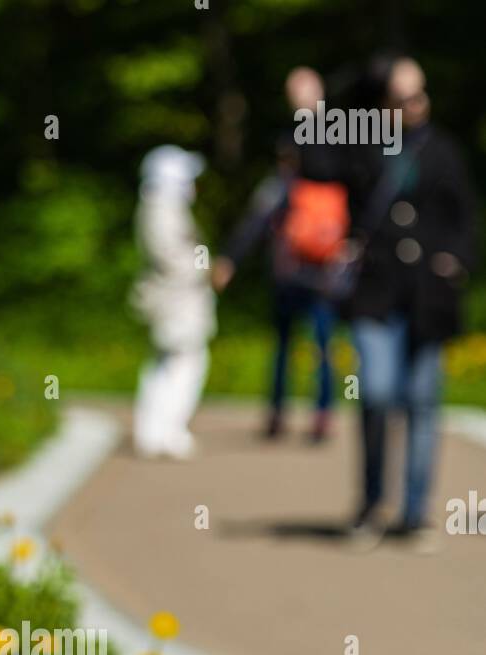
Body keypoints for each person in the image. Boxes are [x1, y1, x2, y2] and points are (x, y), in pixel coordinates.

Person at [345, 58, 478, 550]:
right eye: (403, 97)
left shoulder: (443, 151)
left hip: (428, 296)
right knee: (376, 393)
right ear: (382, 103)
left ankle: (415, 512)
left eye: (421, 95)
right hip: (375, 293)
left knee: (422, 402)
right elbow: (315, 158)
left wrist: (455, 260)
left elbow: (464, 218)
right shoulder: (360, 148)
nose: (416, 105)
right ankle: (370, 501)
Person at [212, 67, 348, 442]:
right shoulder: (295, 164)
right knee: (291, 343)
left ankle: (314, 412)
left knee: (317, 344)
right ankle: (286, 411)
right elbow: (260, 214)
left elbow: (263, 211)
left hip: (320, 267)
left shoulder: (331, 144)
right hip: (294, 268)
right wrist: (232, 257)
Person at [131, 145, 216, 460]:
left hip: (178, 302)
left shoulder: (160, 207)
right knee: (180, 364)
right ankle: (164, 431)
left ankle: (156, 431)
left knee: (170, 363)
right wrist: (205, 268)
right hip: (176, 303)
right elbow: (172, 258)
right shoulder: (160, 209)